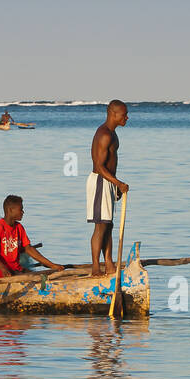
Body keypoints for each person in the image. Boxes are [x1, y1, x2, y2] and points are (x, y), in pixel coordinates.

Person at [87, 100, 130, 276]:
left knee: (108, 225)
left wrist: (116, 185)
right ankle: (96, 267)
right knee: (100, 226)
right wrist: (117, 182)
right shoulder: (104, 134)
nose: (127, 117)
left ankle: (109, 264)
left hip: (108, 182)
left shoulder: (113, 134)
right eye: (124, 114)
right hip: (100, 181)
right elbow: (99, 165)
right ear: (113, 113)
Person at [0, 195, 63, 278]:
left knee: (43, 275)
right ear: (11, 210)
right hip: (3, 273)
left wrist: (52, 265)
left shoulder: (19, 227)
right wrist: (3, 269)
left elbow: (29, 249)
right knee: (36, 278)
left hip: (16, 270)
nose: (23, 212)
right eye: (21, 209)